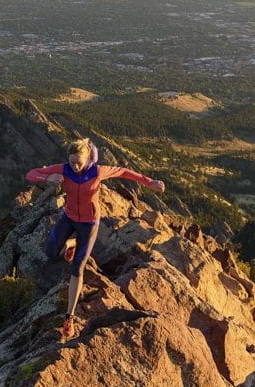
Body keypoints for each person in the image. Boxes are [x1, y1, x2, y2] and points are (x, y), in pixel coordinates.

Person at [25, 138, 165, 339]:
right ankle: (71, 243)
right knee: (50, 253)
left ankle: (69, 317)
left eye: (78, 162)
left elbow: (124, 172)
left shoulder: (97, 172)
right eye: (72, 161)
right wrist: (46, 179)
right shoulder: (64, 169)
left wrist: (149, 181)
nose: (75, 165)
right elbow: (31, 174)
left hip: (89, 223)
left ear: (87, 158)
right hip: (69, 218)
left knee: (78, 268)